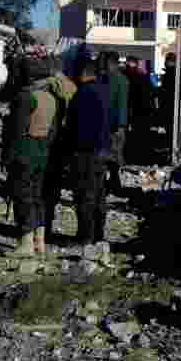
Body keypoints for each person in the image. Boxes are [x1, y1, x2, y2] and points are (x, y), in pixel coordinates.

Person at [1, 55, 57, 255]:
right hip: (42, 152)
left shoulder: (25, 97)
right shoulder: (50, 98)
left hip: (24, 152)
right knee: (37, 197)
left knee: (22, 196)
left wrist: (6, 157)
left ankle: (25, 243)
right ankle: (39, 241)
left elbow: (16, 131)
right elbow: (53, 131)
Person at [63, 51, 111, 245]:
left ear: (83, 73)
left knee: (84, 196)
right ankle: (98, 234)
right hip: (102, 151)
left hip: (85, 152)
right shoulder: (103, 91)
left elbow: (73, 126)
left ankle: (86, 236)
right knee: (99, 195)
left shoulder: (81, 94)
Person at [40, 63, 78, 243]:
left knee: (41, 190)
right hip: (60, 145)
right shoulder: (69, 90)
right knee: (52, 190)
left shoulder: (43, 90)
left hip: (46, 144)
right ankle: (47, 225)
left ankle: (42, 228)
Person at [100, 51, 129, 195]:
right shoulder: (106, 78)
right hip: (108, 124)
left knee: (114, 155)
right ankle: (110, 183)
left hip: (115, 125)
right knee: (108, 155)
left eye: (107, 63)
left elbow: (122, 104)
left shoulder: (119, 80)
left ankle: (114, 183)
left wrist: (121, 125)